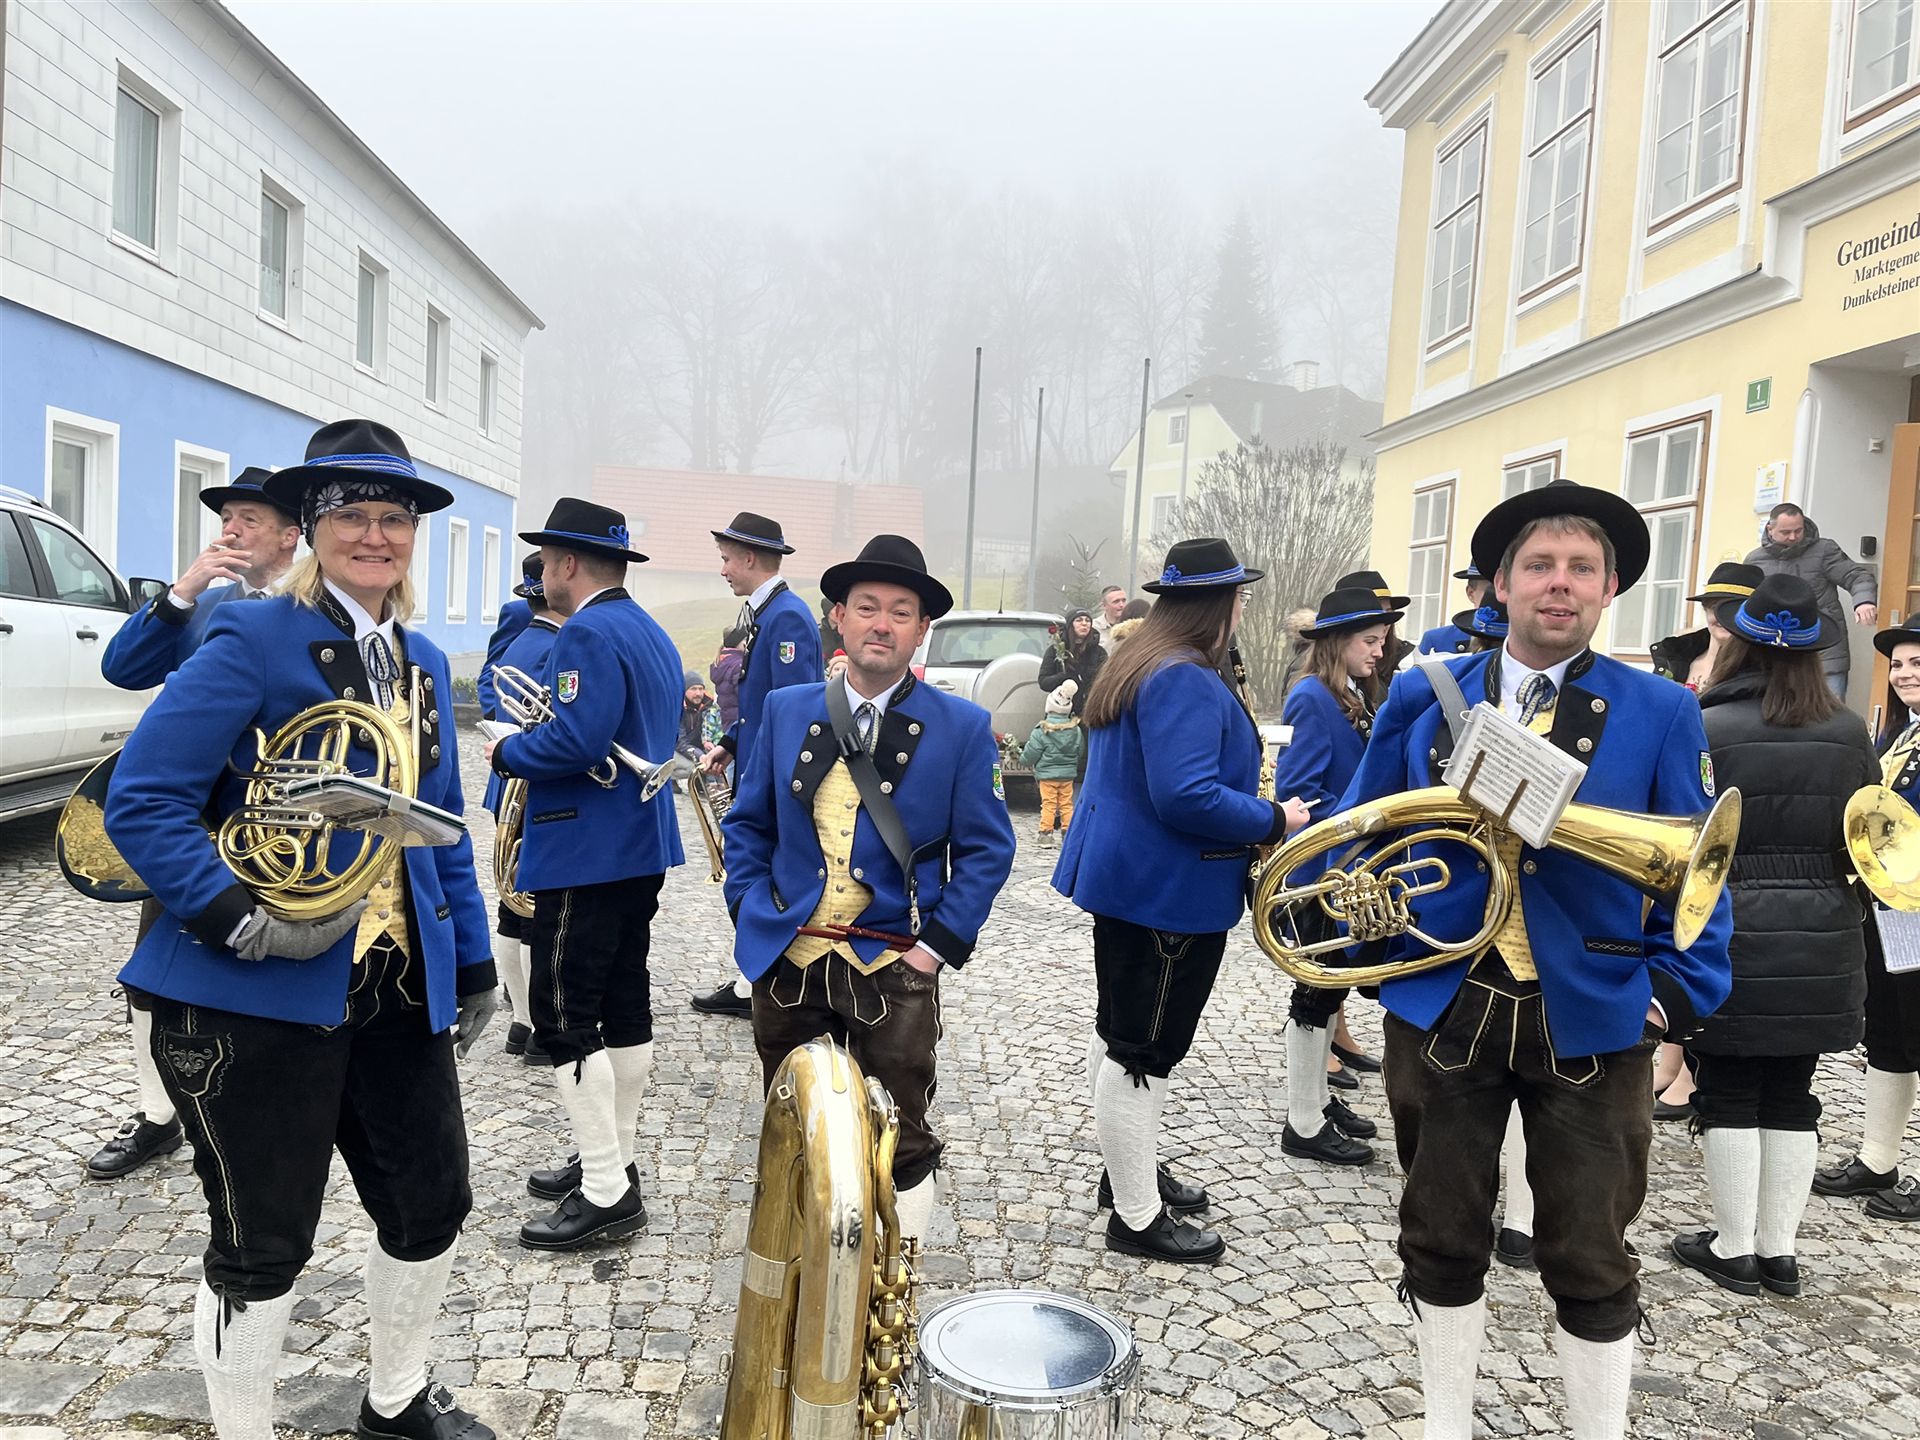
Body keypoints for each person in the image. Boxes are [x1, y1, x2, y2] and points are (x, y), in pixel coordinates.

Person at [104, 418, 498, 1440]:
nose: (376, 535)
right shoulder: (253, 636)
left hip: (396, 982)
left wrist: (473, 961)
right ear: (313, 529)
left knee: (430, 1205)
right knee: (261, 1241)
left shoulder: (420, 660)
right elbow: (142, 800)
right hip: (262, 989)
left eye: (394, 518)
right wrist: (237, 918)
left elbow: (439, 826)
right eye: (353, 515)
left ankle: (395, 1401)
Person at [1335, 478, 1732, 1439]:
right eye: (1541, 566)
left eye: (1582, 569)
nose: (1561, 584)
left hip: (1594, 1008)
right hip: (1446, 1003)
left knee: (1591, 1251)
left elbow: (1703, 872)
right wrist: (1378, 938)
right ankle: (1444, 1425)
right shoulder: (1424, 695)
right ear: (1501, 585)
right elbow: (1359, 834)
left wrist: (1667, 998)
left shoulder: (1661, 710)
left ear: (1608, 591)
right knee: (1439, 1235)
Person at [723, 534, 1016, 1246]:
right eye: (866, 607)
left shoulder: (964, 727)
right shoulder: (787, 710)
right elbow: (748, 824)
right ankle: (802, 1272)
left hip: (893, 964)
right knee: (792, 1129)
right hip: (789, 961)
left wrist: (932, 951)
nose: (881, 624)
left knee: (901, 1140)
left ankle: (895, 1283)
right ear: (839, 617)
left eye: (900, 612)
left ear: (920, 629)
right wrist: (753, 910)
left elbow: (988, 850)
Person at [1053, 539, 1311, 1264]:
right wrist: (1275, 819)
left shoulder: (1142, 659)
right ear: (1221, 603)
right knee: (1143, 1050)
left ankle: (1126, 1174)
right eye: (1240, 598)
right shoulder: (1183, 677)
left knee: (1122, 1034)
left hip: (1136, 880)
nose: (1243, 610)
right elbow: (1187, 795)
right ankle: (1136, 1217)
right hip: (1166, 891)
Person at [87, 468, 302, 1182]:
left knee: (275, 972)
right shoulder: (207, 605)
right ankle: (158, 1115)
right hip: (193, 827)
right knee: (151, 973)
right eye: (226, 518)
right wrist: (180, 594)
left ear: (290, 536)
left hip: (285, 833)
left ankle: (260, 1112)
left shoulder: (314, 610)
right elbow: (123, 668)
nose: (230, 530)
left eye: (248, 519)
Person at [1665, 574, 1875, 1299]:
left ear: (1740, 643)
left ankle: (1733, 1249)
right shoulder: (1850, 731)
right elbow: (1867, 838)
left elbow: (1683, 834)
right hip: (1824, 932)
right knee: (1793, 1091)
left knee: (1728, 1090)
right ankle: (1779, 1254)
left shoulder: (1709, 725)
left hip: (1728, 927)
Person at [487, 497, 685, 1252]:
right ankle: (613, 1155)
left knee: (563, 1014)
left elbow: (576, 742)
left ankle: (606, 1190)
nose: (542, 574)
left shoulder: (587, 631)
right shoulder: (647, 628)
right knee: (623, 1002)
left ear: (566, 563)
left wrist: (507, 748)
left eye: (545, 562)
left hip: (586, 848)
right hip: (637, 844)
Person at [1272, 586, 1400, 1168]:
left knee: (1332, 991)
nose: (1379, 651)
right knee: (1315, 992)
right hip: (1322, 870)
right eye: (1369, 641)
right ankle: (1303, 1121)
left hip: (1348, 868)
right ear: (1336, 643)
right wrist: (1360, 823)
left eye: (1382, 640)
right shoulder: (1310, 696)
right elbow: (1297, 794)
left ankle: (1319, 1102)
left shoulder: (1349, 692)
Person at [691, 513, 823, 1019]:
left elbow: (795, 709)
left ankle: (764, 983)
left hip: (777, 775)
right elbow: (760, 702)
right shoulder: (766, 613)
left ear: (750, 558)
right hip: (757, 762)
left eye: (728, 560)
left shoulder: (786, 617)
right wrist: (730, 741)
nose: (723, 569)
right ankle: (756, 978)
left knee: (764, 874)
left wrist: (774, 782)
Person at [1813, 618, 1920, 1224]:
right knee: (1890, 1032)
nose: (1904, 675)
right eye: (1898, 665)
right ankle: (1878, 1160)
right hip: (1892, 910)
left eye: (1917, 664)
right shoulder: (1901, 733)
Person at [484, 556, 561, 1064]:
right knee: (536, 910)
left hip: (507, 781)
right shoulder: (558, 645)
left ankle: (520, 1022)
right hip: (534, 788)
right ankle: (536, 1025)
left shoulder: (520, 638)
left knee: (513, 907)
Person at [1744, 503, 1876, 699]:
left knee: (1831, 713)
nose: (1793, 537)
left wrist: (1864, 601)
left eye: (1798, 530)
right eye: (1786, 532)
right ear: (1770, 529)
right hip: (1775, 655)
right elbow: (1745, 602)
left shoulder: (1824, 550)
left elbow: (1856, 576)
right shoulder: (1755, 560)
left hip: (1825, 652)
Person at [1649, 562, 1761, 691]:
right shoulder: (1676, 657)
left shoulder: (1760, 671)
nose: (1723, 617)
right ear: (1705, 610)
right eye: (1715, 607)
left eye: (1736, 609)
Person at [1023, 680, 1084, 846]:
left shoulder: (1042, 730)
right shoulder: (1076, 730)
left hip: (1047, 776)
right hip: (1067, 776)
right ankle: (1067, 834)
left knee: (1048, 804)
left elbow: (1032, 753)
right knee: (1066, 804)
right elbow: (1080, 751)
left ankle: (1045, 834)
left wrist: (1023, 760)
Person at [1039, 607, 1105, 717]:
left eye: (1087, 620)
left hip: (1089, 713)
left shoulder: (1099, 652)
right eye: (1079, 620)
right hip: (1060, 713)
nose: (1084, 623)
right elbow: (1044, 682)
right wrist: (1063, 677)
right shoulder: (1055, 650)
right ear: (1070, 625)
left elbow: (1106, 681)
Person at [1419, 565, 1492, 655]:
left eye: (1506, 589)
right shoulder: (1436, 641)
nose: (1501, 597)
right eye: (1491, 590)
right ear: (1471, 593)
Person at [710, 625, 748, 731]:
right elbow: (744, 694)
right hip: (740, 720)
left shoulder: (720, 662)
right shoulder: (738, 665)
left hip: (727, 720)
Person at [680, 672, 721, 758]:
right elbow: (680, 741)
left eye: (701, 689)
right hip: (683, 752)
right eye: (693, 689)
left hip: (707, 752)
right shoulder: (678, 709)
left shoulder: (711, 707)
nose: (698, 693)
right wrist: (697, 754)